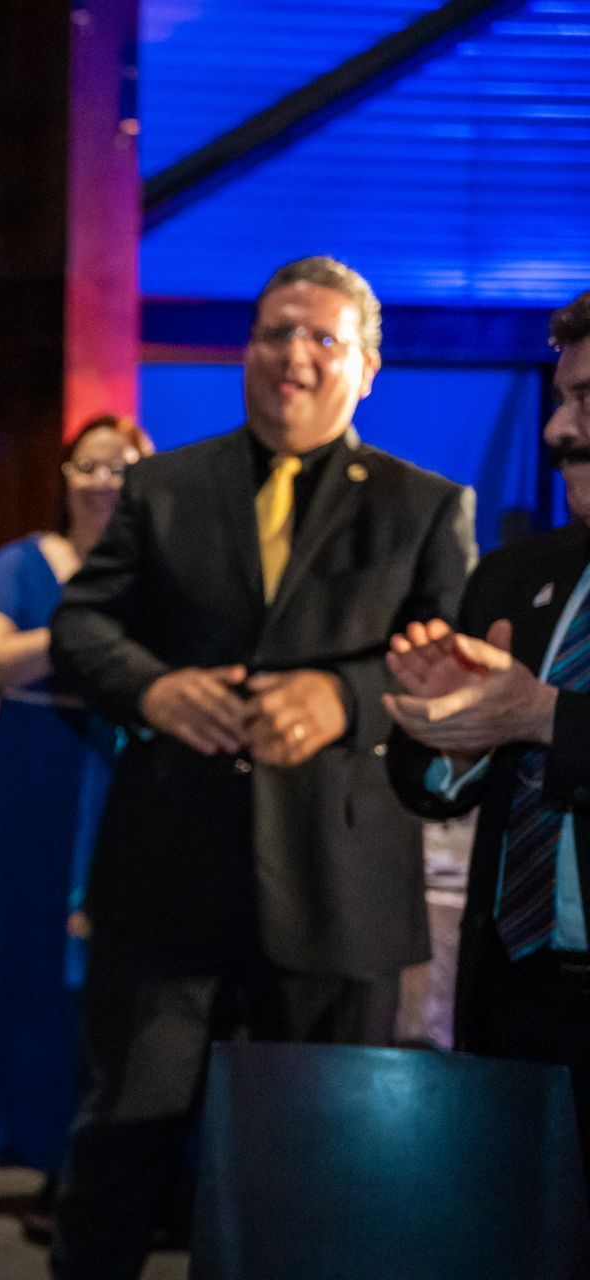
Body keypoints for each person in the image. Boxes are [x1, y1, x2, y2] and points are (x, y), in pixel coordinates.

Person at [46, 256, 477, 1279]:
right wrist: (155, 689)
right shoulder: (163, 486)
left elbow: (452, 658)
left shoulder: (425, 505)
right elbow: (80, 628)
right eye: (275, 331)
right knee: (119, 1151)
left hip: (338, 885)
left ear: (367, 367)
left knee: (323, 1167)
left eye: (323, 338)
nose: (294, 355)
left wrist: (346, 698)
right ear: (246, 350)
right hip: (167, 874)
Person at [384, 287, 590, 1170]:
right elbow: (424, 782)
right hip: (513, 997)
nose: (558, 430)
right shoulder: (512, 576)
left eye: (586, 400)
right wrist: (452, 737)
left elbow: (539, 719)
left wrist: (543, 716)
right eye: (562, 398)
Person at [0, 416, 150, 1210]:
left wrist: (53, 644)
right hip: (31, 767)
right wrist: (93, 638)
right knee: (20, 941)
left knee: (107, 956)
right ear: (65, 475)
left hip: (119, 760)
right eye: (89, 465)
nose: (103, 482)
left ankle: (94, 1154)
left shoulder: (151, 562)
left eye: (120, 467)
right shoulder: (21, 560)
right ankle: (17, 1133)